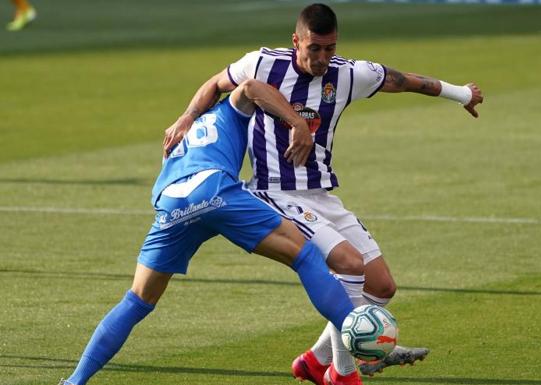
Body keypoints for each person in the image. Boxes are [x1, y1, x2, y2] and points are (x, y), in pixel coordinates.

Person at [162, 4, 484, 385]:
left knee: (381, 287)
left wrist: (460, 93)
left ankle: (316, 362)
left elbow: (405, 81)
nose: (322, 57)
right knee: (348, 265)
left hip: (322, 195)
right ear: (296, 41)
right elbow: (217, 83)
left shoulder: (348, 74)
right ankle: (343, 374)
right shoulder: (262, 65)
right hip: (275, 192)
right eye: (314, 48)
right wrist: (187, 116)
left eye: (329, 48)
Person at [58, 79, 366, 385]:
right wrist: (296, 121)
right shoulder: (231, 110)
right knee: (305, 255)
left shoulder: (183, 130)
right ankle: (362, 338)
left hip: (172, 202)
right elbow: (250, 87)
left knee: (137, 300)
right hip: (215, 189)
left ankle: (74, 381)